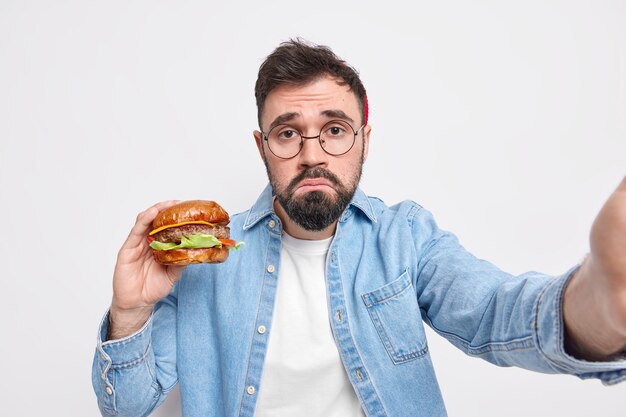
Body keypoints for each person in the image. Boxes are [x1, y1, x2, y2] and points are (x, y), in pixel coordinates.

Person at [92, 39, 626, 417]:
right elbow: (129, 407)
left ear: (364, 139)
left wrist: (602, 302)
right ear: (262, 147)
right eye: (286, 134)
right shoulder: (202, 260)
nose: (311, 155)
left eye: (334, 130)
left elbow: (496, 313)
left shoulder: (404, 238)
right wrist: (131, 313)